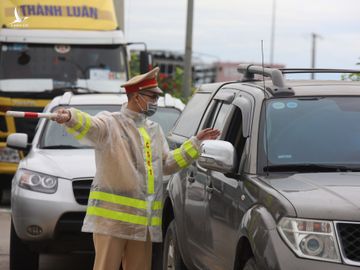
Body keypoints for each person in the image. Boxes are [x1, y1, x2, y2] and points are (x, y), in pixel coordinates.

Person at [52, 67, 220, 270]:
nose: (155, 102)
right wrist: (70, 116)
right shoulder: (111, 123)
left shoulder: (153, 129)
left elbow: (167, 164)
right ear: (136, 96)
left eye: (157, 98)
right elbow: (91, 125)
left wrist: (195, 143)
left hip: (143, 224)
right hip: (111, 222)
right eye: (152, 97)